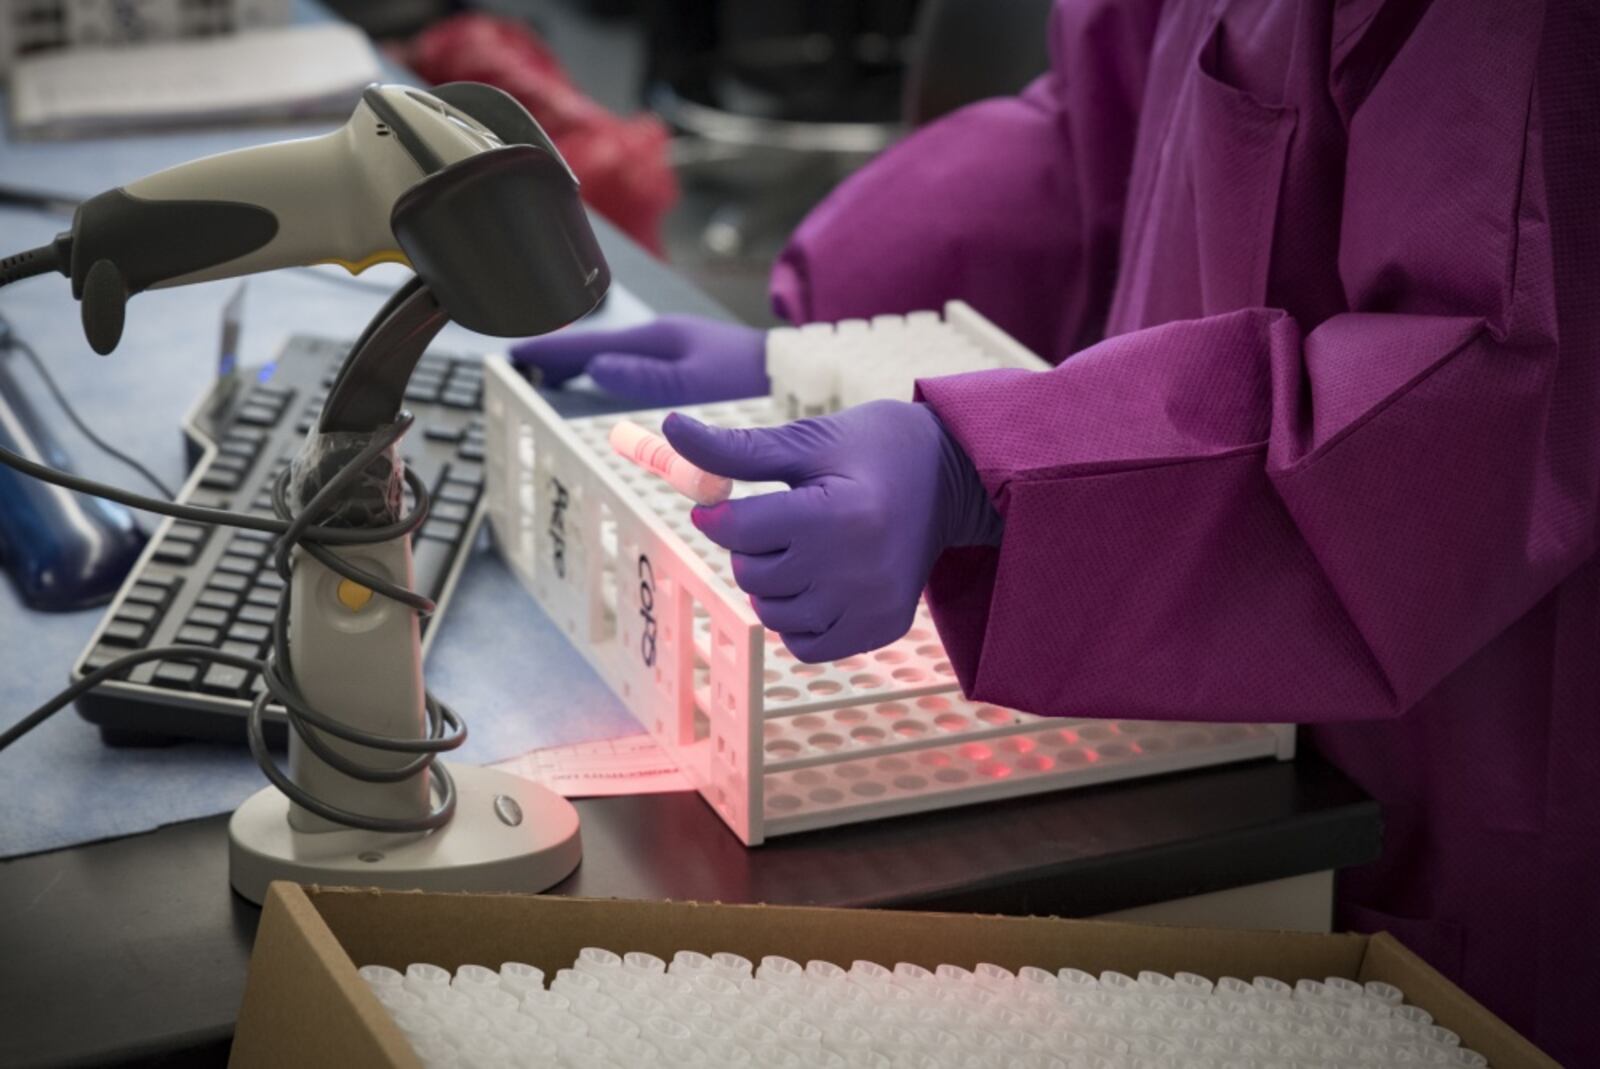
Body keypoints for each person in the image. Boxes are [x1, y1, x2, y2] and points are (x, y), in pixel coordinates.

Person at [513, 1, 1598, 1061]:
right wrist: (815, 345)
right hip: (1173, 651)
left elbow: (1475, 397)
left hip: (1457, 728)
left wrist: (996, 469)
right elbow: (1097, 136)